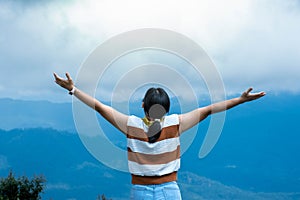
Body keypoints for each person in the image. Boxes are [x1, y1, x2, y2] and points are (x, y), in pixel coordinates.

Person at [53, 72, 265, 200]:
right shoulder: (175, 123)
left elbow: (99, 107)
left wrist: (73, 89)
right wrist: (241, 100)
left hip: (140, 191)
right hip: (170, 191)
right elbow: (209, 109)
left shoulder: (131, 125)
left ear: (143, 105)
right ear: (166, 109)